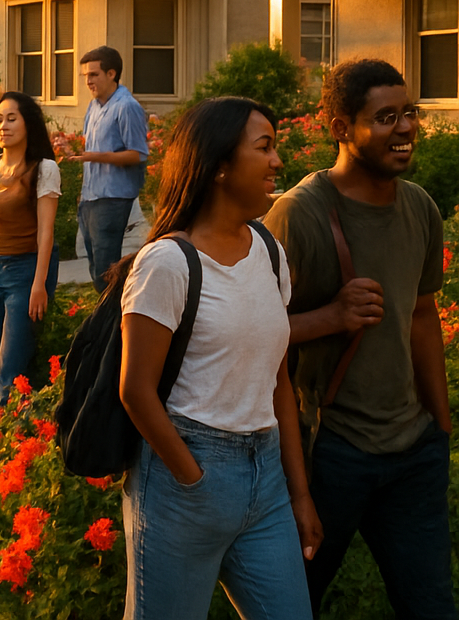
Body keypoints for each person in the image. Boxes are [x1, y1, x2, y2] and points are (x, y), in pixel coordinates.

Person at [264, 60, 455, 618]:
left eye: (409, 113)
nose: (405, 128)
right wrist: (330, 317)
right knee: (294, 604)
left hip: (412, 453)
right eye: (386, 117)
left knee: (432, 607)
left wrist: (438, 431)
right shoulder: (297, 215)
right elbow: (248, 338)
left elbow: (422, 318)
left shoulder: (420, 207)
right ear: (341, 129)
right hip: (332, 452)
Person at [118, 97, 319, 619]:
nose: (278, 160)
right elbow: (135, 390)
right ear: (221, 166)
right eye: (265, 147)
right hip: (186, 478)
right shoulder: (167, 262)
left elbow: (279, 383)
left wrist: (298, 493)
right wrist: (192, 478)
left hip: (266, 476)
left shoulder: (269, 252)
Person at [0, 91, 61, 402]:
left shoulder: (43, 169)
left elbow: (46, 233)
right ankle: (16, 427)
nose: (3, 126)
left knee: (11, 365)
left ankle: (18, 434)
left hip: (25, 272)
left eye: (11, 119)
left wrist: (39, 285)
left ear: (28, 124)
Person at [66, 45, 149, 293]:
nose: (88, 81)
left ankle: (115, 323)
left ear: (111, 74)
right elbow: (88, 151)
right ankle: (108, 318)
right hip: (91, 196)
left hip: (113, 197)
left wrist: (96, 156)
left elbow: (138, 153)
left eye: (93, 75)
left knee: (106, 271)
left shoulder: (126, 106)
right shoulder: (93, 107)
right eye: (86, 76)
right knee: (95, 268)